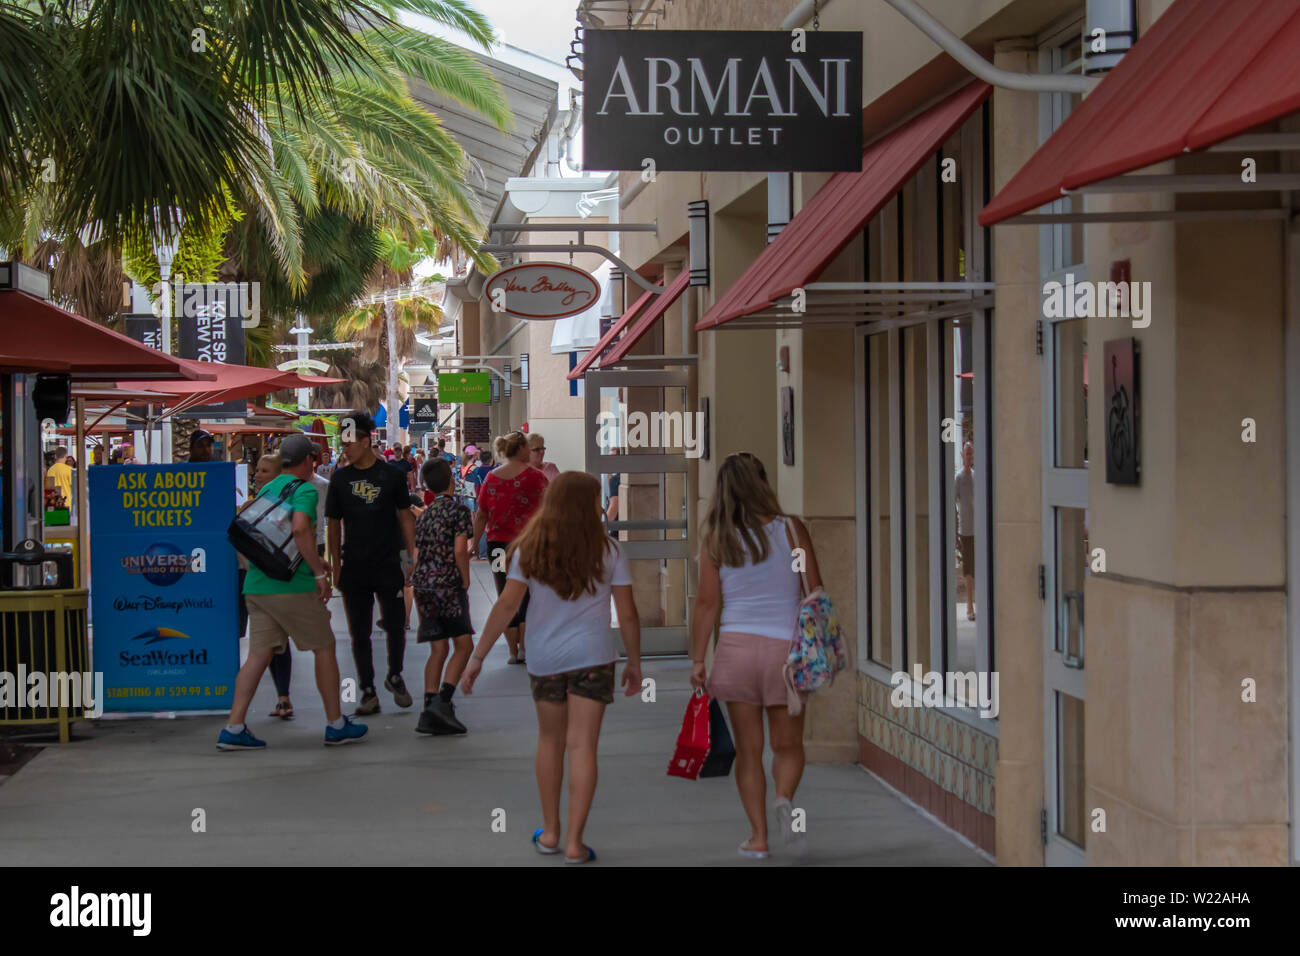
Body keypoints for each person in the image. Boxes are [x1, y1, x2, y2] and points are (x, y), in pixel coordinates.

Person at [461, 472, 642, 864]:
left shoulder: (530, 549)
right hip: (594, 658)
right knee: (583, 747)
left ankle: (551, 832)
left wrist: (477, 658)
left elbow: (507, 606)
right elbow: (627, 615)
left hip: (545, 660)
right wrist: (635, 662)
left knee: (550, 743)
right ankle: (576, 842)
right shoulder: (609, 551)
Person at [689, 452, 823, 859]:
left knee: (749, 751)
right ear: (763, 483)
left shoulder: (716, 536)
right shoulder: (792, 530)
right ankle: (784, 797)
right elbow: (813, 590)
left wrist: (698, 660)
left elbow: (707, 604)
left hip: (736, 651)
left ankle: (759, 837)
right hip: (786, 652)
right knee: (788, 746)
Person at [217, 434, 368, 749]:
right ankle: (336, 723)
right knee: (324, 647)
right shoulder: (306, 489)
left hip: (257, 585)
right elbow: (300, 528)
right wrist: (317, 571)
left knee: (258, 655)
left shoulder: (268, 487)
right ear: (309, 461)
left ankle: (233, 727)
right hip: (292, 587)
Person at [326, 411, 417, 715]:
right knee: (359, 632)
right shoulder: (339, 478)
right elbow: (333, 523)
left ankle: (395, 675)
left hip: (388, 563)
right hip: (354, 566)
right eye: (343, 442)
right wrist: (336, 566)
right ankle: (367, 691)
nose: (345, 448)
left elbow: (405, 516)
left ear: (366, 441)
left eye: (350, 442)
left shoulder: (391, 476)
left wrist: (409, 556)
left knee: (395, 625)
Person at [471, 432, 548, 664]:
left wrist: (475, 544)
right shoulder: (536, 477)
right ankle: (525, 647)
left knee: (504, 593)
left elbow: (482, 514)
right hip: (529, 543)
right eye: (528, 447)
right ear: (522, 449)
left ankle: (513, 651)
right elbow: (549, 510)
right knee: (528, 593)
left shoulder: (491, 479)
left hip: (496, 544)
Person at [412, 459, 474, 736]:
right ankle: (444, 701)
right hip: (447, 583)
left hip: (423, 585)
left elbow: (416, 553)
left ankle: (428, 705)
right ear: (451, 479)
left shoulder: (424, 514)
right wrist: (465, 577)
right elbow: (461, 549)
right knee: (464, 645)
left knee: (438, 649)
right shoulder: (458, 511)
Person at [955, 441, 976, 622]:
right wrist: (955, 533)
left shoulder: (977, 477)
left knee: (979, 568)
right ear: (962, 455)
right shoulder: (958, 478)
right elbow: (953, 503)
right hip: (966, 530)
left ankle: (979, 603)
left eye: (971, 453)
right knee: (968, 570)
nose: (969, 456)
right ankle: (969, 605)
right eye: (967, 453)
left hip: (979, 530)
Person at [47, 446, 73, 511]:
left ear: (55, 456)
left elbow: (48, 487)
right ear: (66, 455)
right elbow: (73, 487)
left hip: (55, 503)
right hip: (67, 503)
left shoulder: (50, 470)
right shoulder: (69, 470)